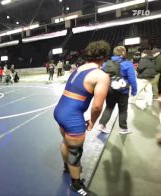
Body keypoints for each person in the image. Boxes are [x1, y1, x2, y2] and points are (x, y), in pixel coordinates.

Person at [53, 40, 111, 196]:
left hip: (60, 111)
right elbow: (97, 106)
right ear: (105, 56)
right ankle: (76, 184)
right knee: (75, 152)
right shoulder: (101, 76)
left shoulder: (79, 68)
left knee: (66, 141)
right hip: (72, 117)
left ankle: (67, 168)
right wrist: (92, 121)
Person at [96, 46, 137, 134]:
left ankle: (101, 124)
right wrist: (134, 90)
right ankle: (123, 129)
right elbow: (132, 79)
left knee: (109, 107)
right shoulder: (128, 64)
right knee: (122, 110)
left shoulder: (106, 64)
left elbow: (101, 76)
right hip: (123, 91)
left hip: (110, 90)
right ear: (122, 53)